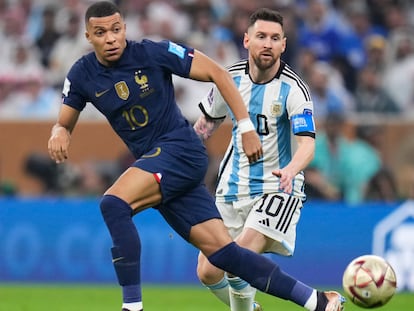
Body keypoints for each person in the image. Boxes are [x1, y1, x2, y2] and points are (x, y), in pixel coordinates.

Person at [47, 2, 343, 311]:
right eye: (101, 32)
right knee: (225, 257)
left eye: (116, 30)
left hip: (180, 150)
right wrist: (60, 131)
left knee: (113, 203)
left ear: (125, 29)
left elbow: (216, 72)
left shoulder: (152, 52)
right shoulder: (81, 74)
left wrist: (245, 127)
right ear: (88, 36)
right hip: (161, 161)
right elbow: (66, 120)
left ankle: (132, 307)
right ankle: (316, 300)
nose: (110, 38)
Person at [194, 8, 344, 311]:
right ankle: (281, 304)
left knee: (239, 261)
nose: (268, 43)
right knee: (208, 271)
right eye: (261, 36)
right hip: (231, 188)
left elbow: (307, 146)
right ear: (247, 40)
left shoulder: (294, 90)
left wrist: (290, 170)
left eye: (275, 38)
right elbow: (204, 128)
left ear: (284, 45)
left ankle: (314, 302)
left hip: (277, 188)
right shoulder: (229, 79)